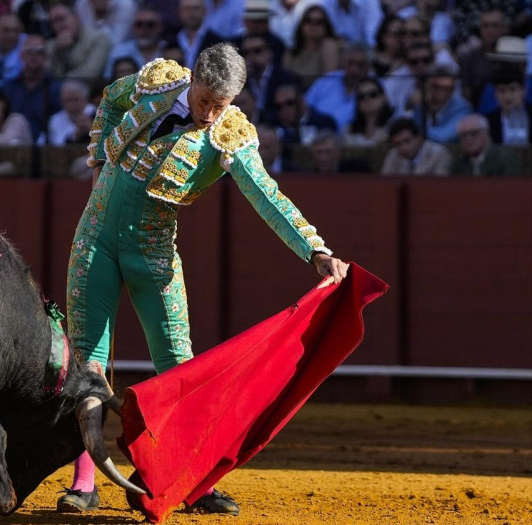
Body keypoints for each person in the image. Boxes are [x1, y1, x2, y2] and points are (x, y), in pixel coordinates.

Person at [60, 43, 348, 515]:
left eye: (223, 104)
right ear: (192, 80)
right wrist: (97, 158)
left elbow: (266, 195)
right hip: (94, 238)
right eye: (205, 102)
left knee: (179, 363)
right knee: (89, 362)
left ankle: (183, 479)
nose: (212, 114)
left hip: (153, 252)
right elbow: (112, 96)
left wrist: (314, 248)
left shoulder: (230, 135)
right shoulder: (157, 80)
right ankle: (85, 482)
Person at [46, 1, 112, 81]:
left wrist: (60, 81)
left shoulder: (98, 38)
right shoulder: (51, 45)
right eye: (54, 22)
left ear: (76, 16)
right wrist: (58, 52)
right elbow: (46, 74)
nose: (59, 25)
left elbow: (89, 73)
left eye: (61, 18)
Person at [412, 65, 473, 144]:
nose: (440, 94)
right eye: (435, 87)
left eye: (446, 89)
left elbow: (443, 138)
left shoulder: (463, 109)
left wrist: (413, 133)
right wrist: (412, 106)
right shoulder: (419, 104)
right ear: (424, 87)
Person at [282, 4, 339, 88]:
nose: (313, 25)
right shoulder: (291, 53)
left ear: (326, 26)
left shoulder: (329, 47)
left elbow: (329, 79)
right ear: (301, 24)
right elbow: (284, 81)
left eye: (319, 22)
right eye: (308, 21)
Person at [449, 114, 524, 177]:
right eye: (464, 135)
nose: (469, 138)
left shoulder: (506, 158)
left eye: (474, 133)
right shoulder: (458, 164)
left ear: (486, 132)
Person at [379, 117, 451, 175]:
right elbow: (385, 184)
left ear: (419, 138)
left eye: (407, 141)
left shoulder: (439, 154)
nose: (403, 147)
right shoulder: (393, 155)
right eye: (397, 144)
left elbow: (440, 186)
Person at [344, 77, 394, 146]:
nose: (367, 99)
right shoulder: (348, 131)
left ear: (383, 98)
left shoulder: (393, 127)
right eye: (361, 96)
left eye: (373, 94)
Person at [486, 67, 529, 146]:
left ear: (523, 90)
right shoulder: (489, 121)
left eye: (513, 90)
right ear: (495, 94)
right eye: (502, 91)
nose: (507, 96)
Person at [48, 79, 94, 145]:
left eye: (76, 100)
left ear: (85, 99)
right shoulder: (55, 121)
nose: (73, 105)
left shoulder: (98, 115)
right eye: (68, 101)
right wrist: (75, 136)